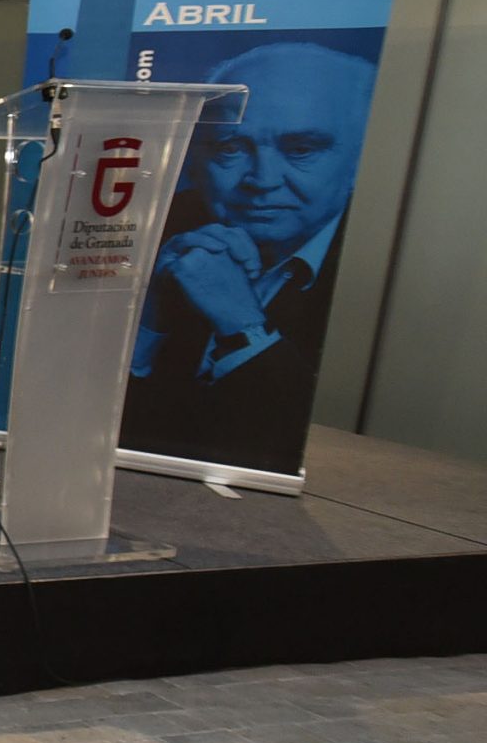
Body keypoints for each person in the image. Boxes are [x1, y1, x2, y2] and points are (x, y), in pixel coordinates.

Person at [121, 43, 374, 473]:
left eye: (301, 150)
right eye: (230, 149)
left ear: (355, 161)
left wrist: (244, 328)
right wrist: (151, 314)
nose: (262, 181)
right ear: (195, 161)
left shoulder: (373, 259)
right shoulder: (162, 226)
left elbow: (297, 444)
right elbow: (118, 429)